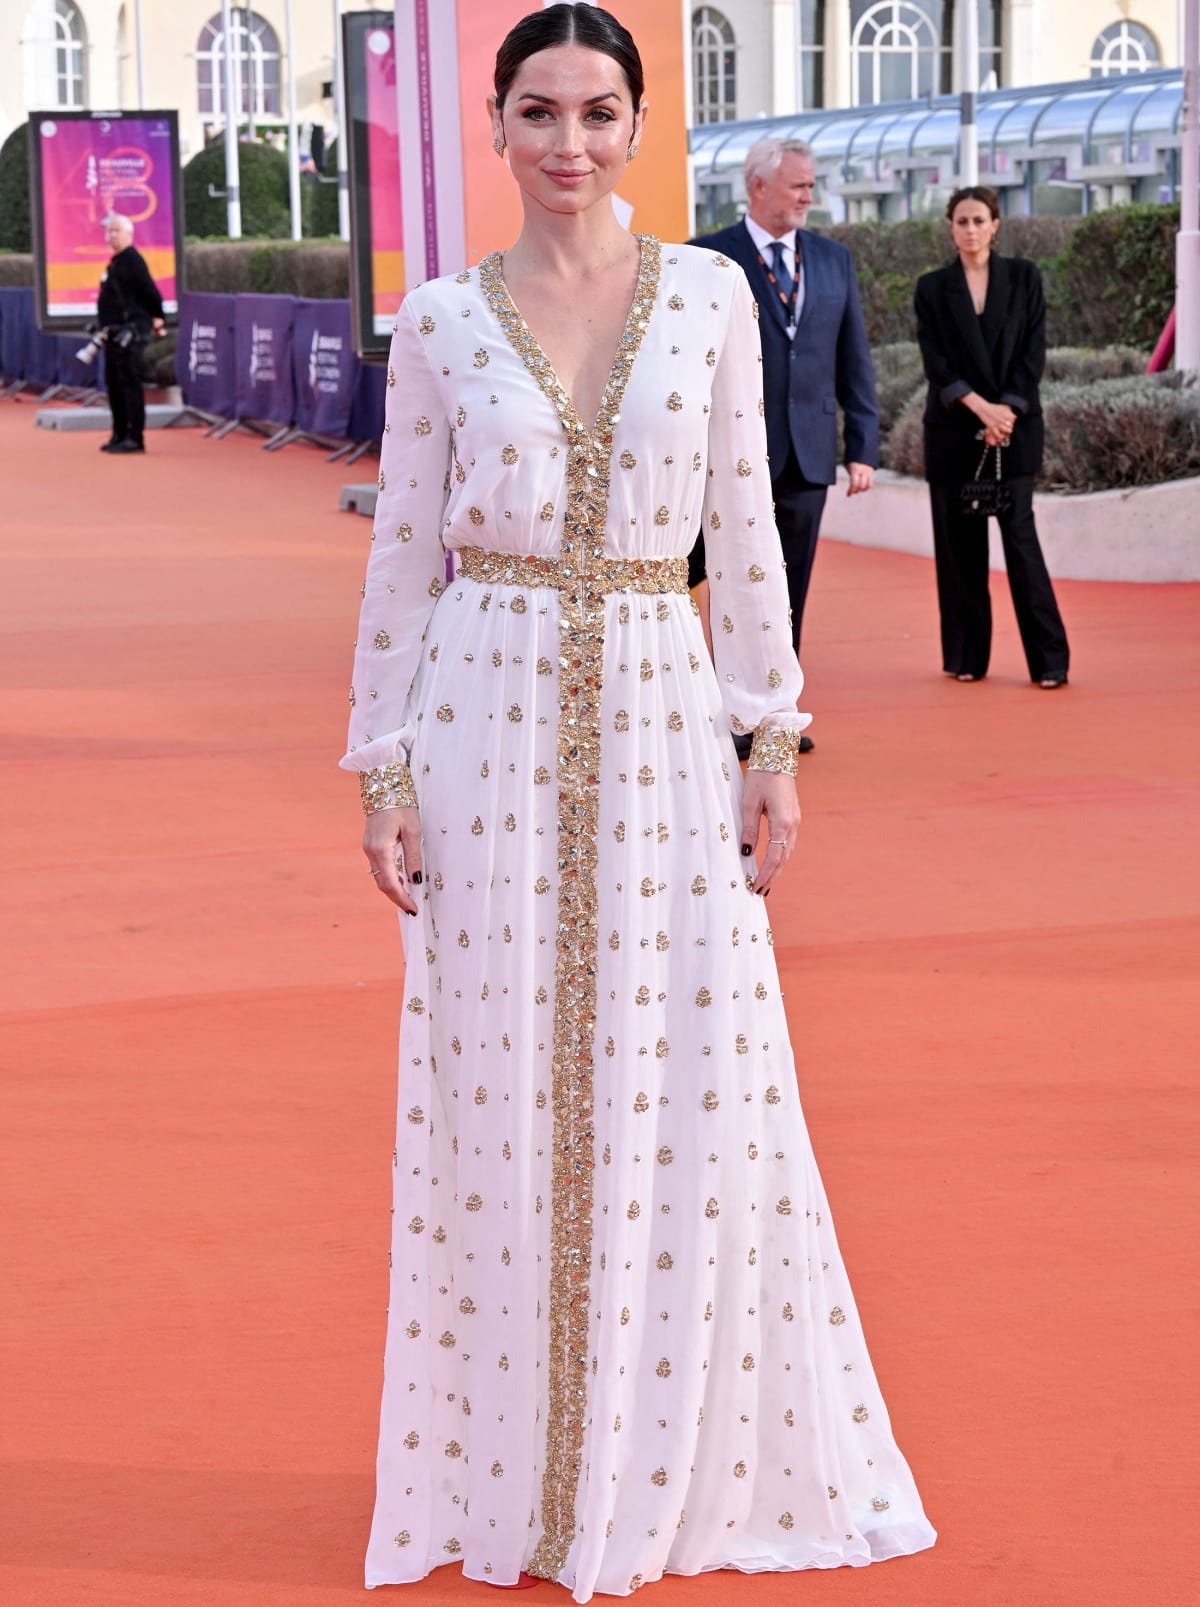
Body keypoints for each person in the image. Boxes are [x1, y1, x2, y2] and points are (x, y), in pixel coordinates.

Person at [342, 6, 935, 1597]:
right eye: (537, 112)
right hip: (486, 711)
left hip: (666, 718)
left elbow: (745, 532)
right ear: (494, 122)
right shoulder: (444, 322)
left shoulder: (716, 299)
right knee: (499, 1074)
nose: (569, 145)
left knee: (692, 1068)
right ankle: (522, 1474)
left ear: (641, 121)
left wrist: (773, 734)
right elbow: (403, 551)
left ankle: (668, 1458)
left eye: (600, 112)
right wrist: (381, 764)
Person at [691, 138, 880, 755]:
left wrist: (863, 445)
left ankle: (770, 718)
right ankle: (708, 707)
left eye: (810, 184)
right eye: (798, 185)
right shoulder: (707, 259)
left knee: (786, 590)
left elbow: (854, 357)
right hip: (727, 454)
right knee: (711, 575)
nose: (808, 196)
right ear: (758, 187)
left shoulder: (832, 259)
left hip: (807, 452)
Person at [914, 188, 1069, 687]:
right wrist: (981, 407)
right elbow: (935, 362)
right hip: (955, 432)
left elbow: (1032, 354)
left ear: (995, 224)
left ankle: (1050, 662)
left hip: (1014, 431)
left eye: (979, 220)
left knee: (1022, 545)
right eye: (961, 221)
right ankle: (966, 658)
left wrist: (1007, 412)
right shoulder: (933, 287)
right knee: (959, 552)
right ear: (950, 226)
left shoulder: (1024, 277)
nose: (970, 229)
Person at [96, 213, 165, 455]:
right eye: (109, 231)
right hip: (113, 333)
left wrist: (156, 317)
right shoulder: (114, 263)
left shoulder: (133, 261)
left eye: (116, 231)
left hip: (131, 333)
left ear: (128, 234)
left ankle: (135, 437)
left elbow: (151, 293)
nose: (111, 235)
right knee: (113, 384)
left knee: (129, 384)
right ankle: (119, 433)